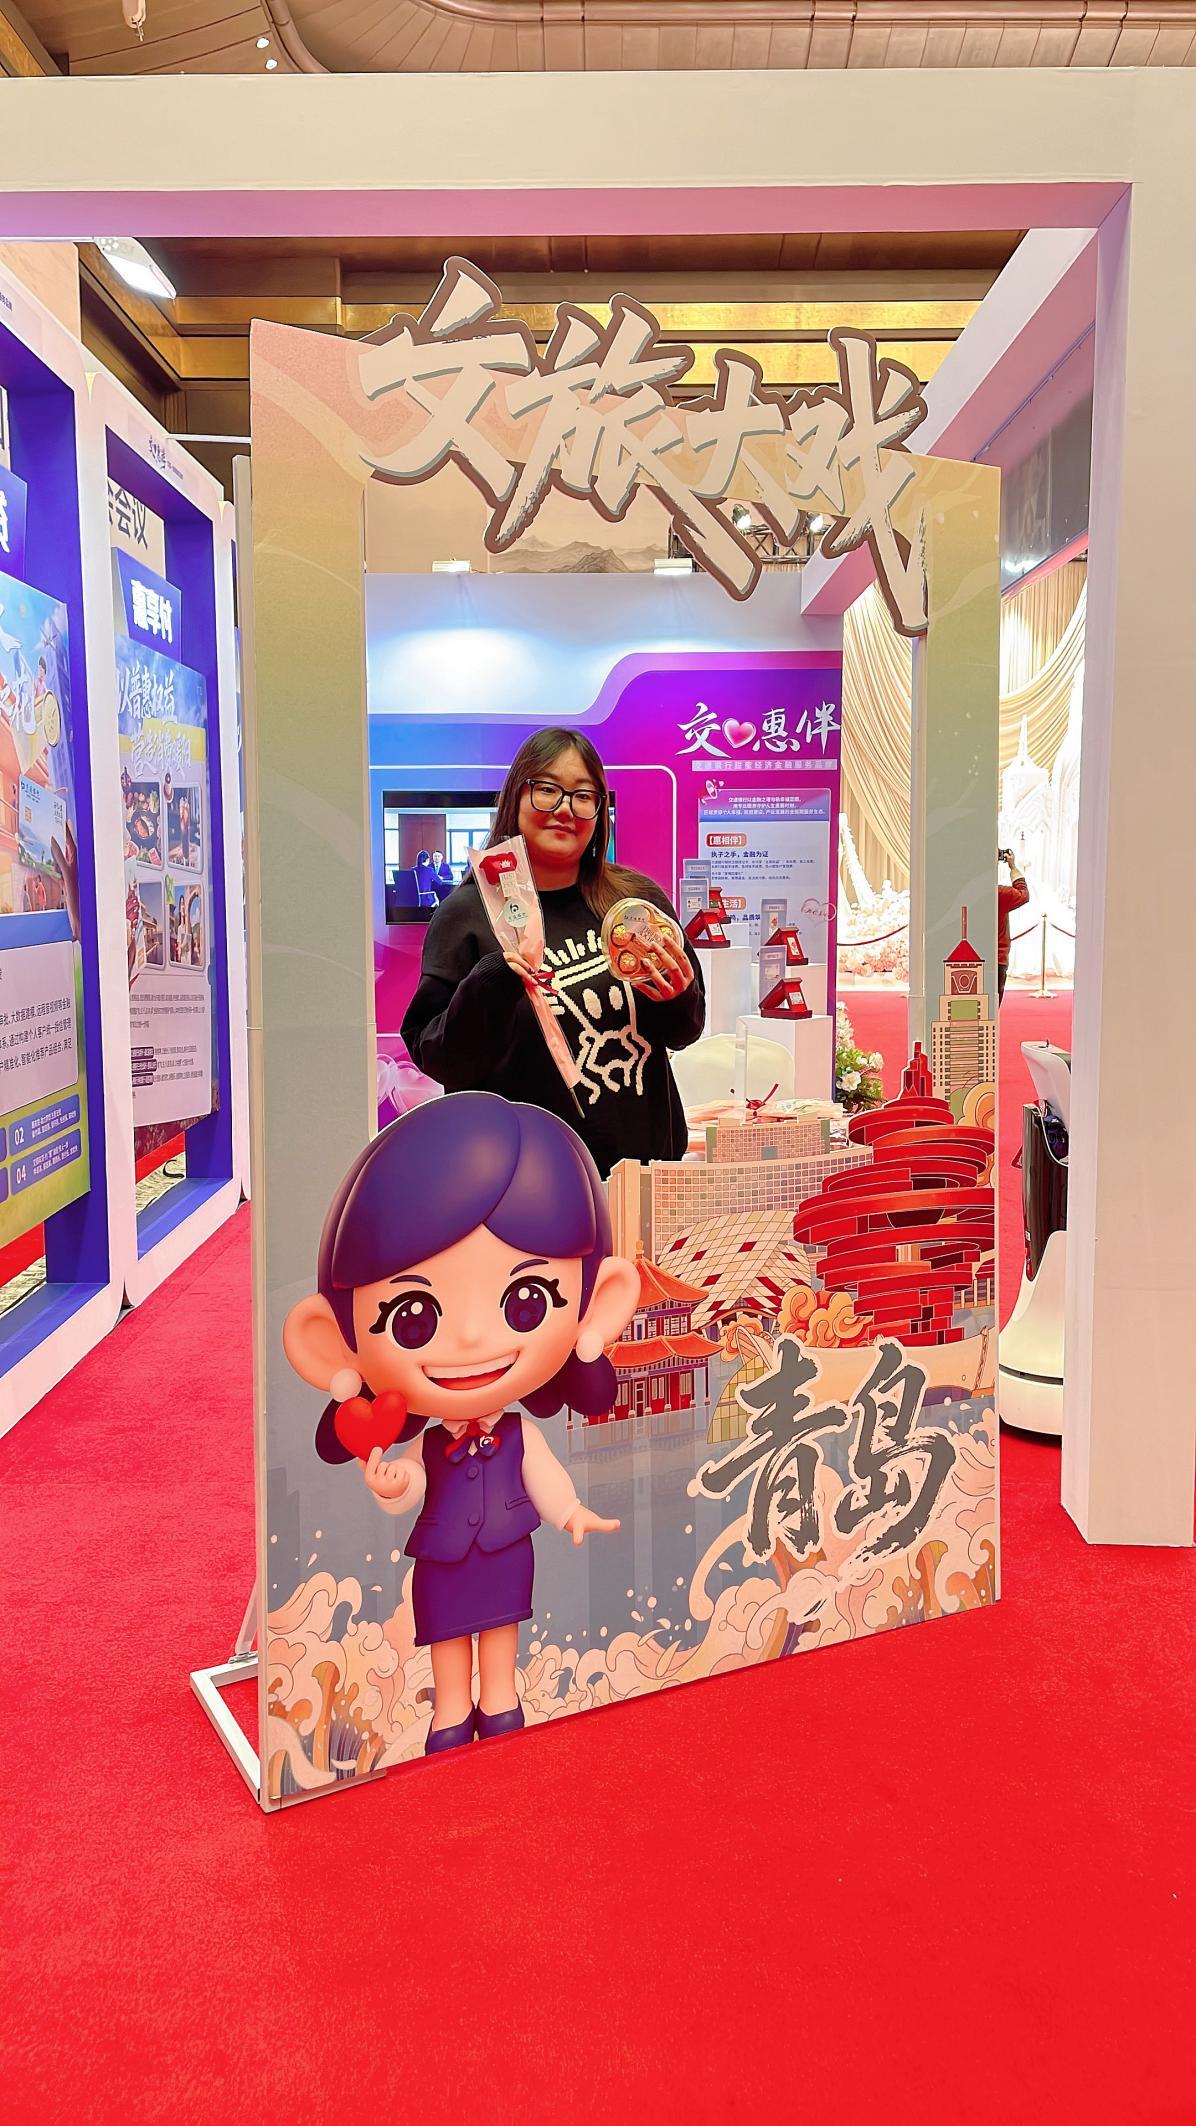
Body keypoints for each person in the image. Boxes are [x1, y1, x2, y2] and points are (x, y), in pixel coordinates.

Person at [282, 1092, 640, 1753]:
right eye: (413, 1316)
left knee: (501, 1627)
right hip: (443, 1559)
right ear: (331, 1343)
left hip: (506, 1550)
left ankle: (499, 1698)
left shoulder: (518, 1434)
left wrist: (570, 1513)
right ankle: (451, 1707)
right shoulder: (428, 1443)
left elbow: (544, 1477)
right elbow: (414, 1482)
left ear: (596, 1307)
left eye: (527, 1300)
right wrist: (396, 1485)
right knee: (447, 1633)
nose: (473, 1337)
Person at [401, 726, 706, 1178]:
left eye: (583, 796)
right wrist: (494, 976)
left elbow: (684, 1031)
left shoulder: (636, 903)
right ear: (516, 796)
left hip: (645, 1175)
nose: (565, 808)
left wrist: (676, 997)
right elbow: (440, 1057)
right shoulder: (467, 914)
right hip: (524, 1182)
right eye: (547, 789)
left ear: (599, 810)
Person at [997, 847, 1030, 1003]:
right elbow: (1023, 893)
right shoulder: (1000, 894)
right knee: (992, 1008)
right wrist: (1013, 867)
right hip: (997, 958)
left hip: (969, 956)